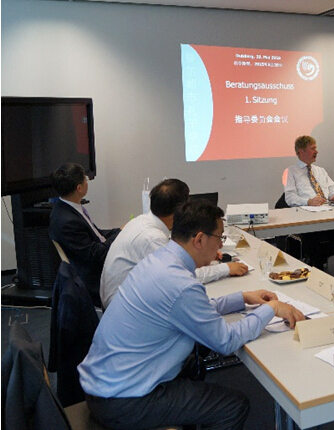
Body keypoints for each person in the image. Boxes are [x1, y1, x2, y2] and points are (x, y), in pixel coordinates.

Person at [78, 199, 305, 430]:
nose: (220, 246)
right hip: (123, 401)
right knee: (233, 406)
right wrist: (271, 309)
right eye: (219, 238)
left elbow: (192, 310)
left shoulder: (161, 260)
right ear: (199, 239)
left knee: (193, 367)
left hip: (107, 384)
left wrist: (242, 297)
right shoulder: (180, 283)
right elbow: (225, 341)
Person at [100, 178, 248, 309]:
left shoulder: (143, 221)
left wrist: (204, 252)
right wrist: (226, 269)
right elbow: (183, 276)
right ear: (178, 211)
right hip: (124, 306)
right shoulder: (153, 238)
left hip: (126, 300)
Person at [48, 162, 122, 307]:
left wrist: (119, 231)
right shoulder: (67, 221)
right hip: (94, 279)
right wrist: (118, 237)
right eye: (85, 179)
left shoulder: (68, 207)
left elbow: (96, 233)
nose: (87, 181)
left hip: (97, 263)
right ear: (79, 188)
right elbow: (94, 254)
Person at [283, 135, 334, 269]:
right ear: (301, 152)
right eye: (312, 149)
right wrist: (308, 201)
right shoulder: (291, 172)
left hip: (327, 214)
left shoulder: (320, 171)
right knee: (313, 244)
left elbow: (332, 188)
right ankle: (315, 261)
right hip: (307, 218)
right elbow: (289, 198)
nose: (316, 151)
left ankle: (315, 259)